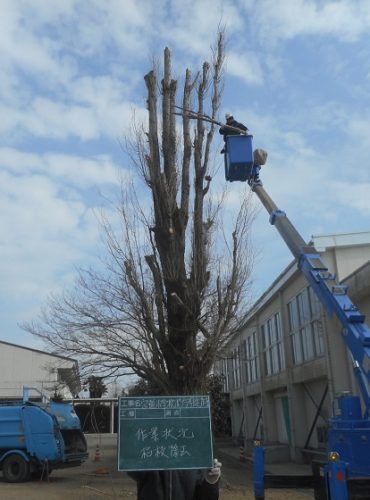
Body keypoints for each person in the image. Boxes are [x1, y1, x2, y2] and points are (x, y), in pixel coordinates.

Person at [128, 459, 222, 500]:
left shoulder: (196, 448)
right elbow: (134, 472)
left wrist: (210, 482)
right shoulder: (149, 446)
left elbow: (207, 497)